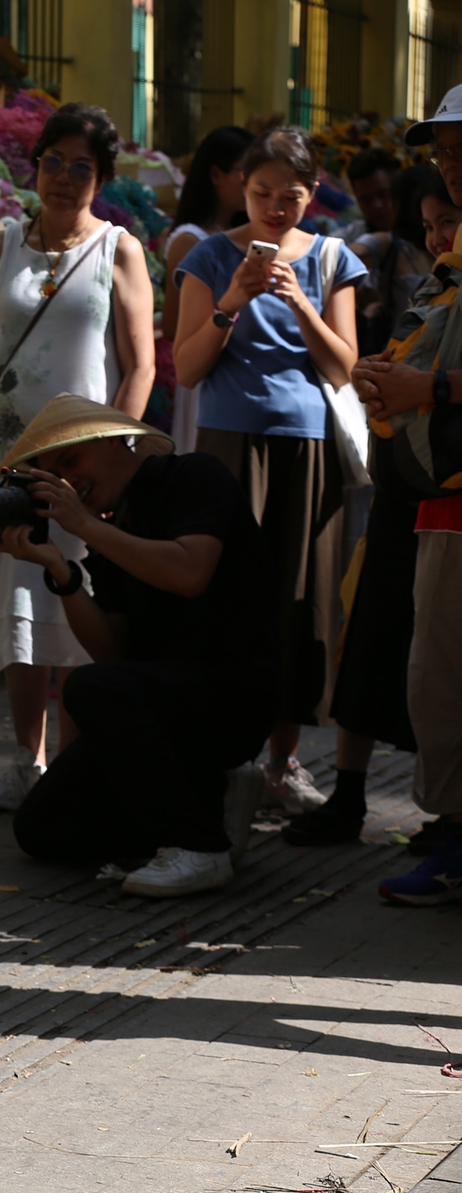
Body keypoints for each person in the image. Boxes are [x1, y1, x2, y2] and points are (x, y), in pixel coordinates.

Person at [0, 103, 156, 814]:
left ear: (102, 177)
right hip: (10, 454)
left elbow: (141, 365)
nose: (63, 177)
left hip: (85, 459)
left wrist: (114, 452)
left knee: (78, 599)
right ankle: (28, 761)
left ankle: (80, 766)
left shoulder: (119, 250)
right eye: (53, 160)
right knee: (20, 602)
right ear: (37, 166)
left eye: (81, 166)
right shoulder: (3, 247)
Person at [0, 394, 277, 897]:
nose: (69, 482)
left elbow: (189, 573)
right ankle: (211, 801)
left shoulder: (193, 476)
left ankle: (199, 847)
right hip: (167, 705)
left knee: (90, 688)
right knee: (41, 830)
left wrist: (85, 526)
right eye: (52, 474)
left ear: (111, 441)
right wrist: (60, 570)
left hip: (235, 691)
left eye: (71, 461)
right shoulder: (112, 526)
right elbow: (113, 653)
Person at [173, 127, 365, 815]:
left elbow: (345, 367)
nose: (275, 209)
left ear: (312, 197)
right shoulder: (207, 257)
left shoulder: (333, 258)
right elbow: (187, 369)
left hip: (308, 447)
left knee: (300, 601)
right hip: (229, 441)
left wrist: (298, 301)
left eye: (290, 197)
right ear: (240, 190)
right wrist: (234, 300)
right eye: (260, 194)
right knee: (229, 598)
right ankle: (227, 756)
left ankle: (284, 762)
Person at [288, 171, 461, 847]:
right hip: (403, 488)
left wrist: (427, 387)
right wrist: (378, 377)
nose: (438, 234)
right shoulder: (436, 282)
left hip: (446, 492)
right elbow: (394, 359)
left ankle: (446, 822)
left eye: (447, 218)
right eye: (430, 222)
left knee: (439, 663)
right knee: (372, 633)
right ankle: (350, 795)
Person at [354, 83, 462, 905]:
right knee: (437, 686)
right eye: (442, 148)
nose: (450, 161)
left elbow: (437, 382)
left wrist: (431, 391)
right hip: (440, 505)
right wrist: (385, 377)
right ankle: (454, 843)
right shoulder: (449, 261)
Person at [161, 125, 254, 455]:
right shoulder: (191, 240)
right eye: (246, 172)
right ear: (216, 174)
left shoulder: (238, 235)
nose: (253, 184)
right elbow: (172, 326)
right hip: (205, 377)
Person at [349, 162, 441, 358]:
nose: (380, 206)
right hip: (398, 358)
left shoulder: (445, 244)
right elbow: (344, 256)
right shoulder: (388, 242)